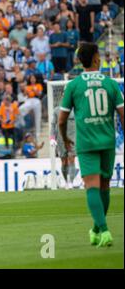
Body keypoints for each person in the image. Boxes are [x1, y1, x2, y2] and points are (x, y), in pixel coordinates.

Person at [59, 42, 124, 247]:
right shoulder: (111, 84)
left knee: (91, 187)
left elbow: (62, 120)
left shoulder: (74, 85)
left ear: (79, 61)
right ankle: (96, 229)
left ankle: (103, 230)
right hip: (107, 141)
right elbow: (123, 115)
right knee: (104, 186)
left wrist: (65, 138)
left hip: (86, 142)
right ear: (96, 58)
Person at [50, 105, 77, 189]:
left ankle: (71, 182)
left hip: (73, 138)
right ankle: (66, 181)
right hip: (60, 139)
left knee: (71, 158)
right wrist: (52, 138)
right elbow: (53, 125)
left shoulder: (76, 109)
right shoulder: (57, 110)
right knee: (64, 162)